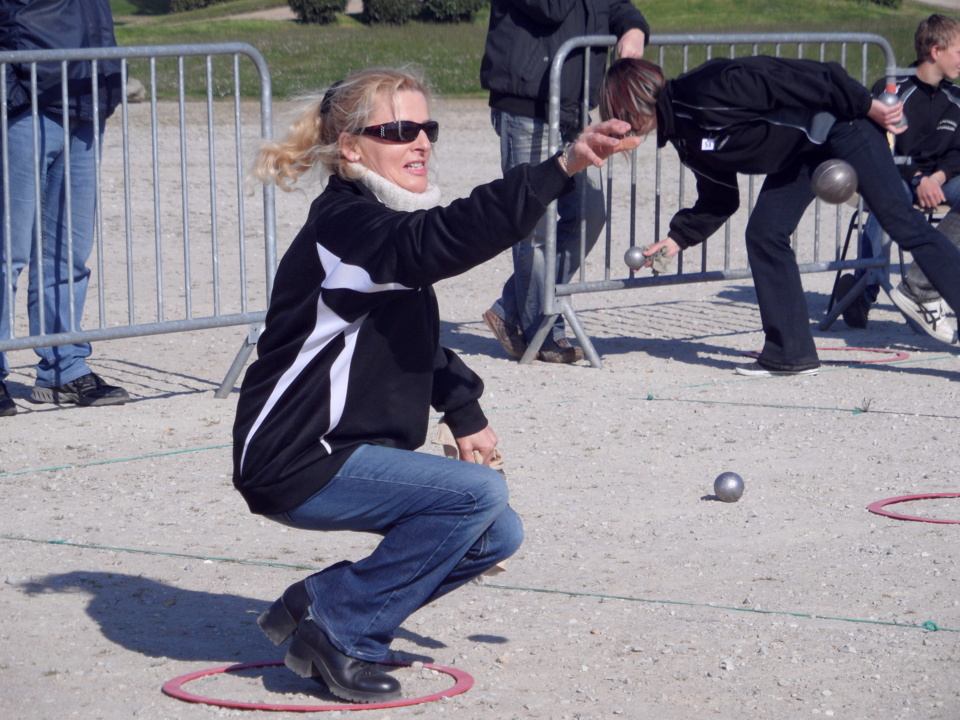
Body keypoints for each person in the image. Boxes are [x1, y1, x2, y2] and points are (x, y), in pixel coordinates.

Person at [232, 68, 639, 703]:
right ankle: (338, 628)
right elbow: (439, 238)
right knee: (477, 493)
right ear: (350, 147)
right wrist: (561, 167)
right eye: (398, 130)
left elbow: (412, 331)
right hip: (293, 458)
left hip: (340, 455)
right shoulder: (347, 227)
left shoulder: (376, 221)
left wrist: (463, 406)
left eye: (428, 128)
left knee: (497, 532)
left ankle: (326, 603)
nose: (419, 141)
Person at [598, 55, 960, 377]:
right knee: (764, 234)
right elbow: (719, 198)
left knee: (903, 223)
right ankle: (792, 353)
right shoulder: (684, 137)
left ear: (636, 98)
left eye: (620, 113)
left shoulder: (707, 88)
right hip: (805, 153)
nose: (621, 125)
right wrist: (677, 239)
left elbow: (802, 75)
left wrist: (866, 104)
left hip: (844, 126)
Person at [479, 0, 650, 363]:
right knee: (534, 225)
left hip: (571, 107)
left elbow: (615, 5)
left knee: (590, 214)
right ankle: (543, 330)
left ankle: (512, 310)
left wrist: (633, 27)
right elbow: (551, 9)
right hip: (527, 106)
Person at [0, 0, 129, 418]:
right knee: (8, 252)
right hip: (25, 99)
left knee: (68, 253)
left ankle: (63, 369)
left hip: (84, 96)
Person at [836, 13, 960, 344]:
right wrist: (919, 178)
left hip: (938, 179)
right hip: (896, 177)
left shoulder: (956, 98)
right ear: (936, 51)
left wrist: (938, 176)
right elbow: (879, 151)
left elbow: (959, 153)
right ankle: (865, 289)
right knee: (886, 202)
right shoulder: (891, 89)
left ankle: (922, 282)